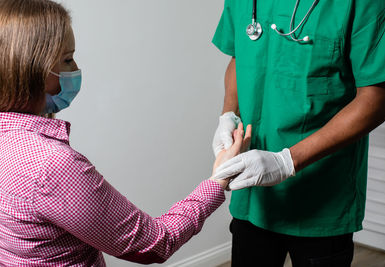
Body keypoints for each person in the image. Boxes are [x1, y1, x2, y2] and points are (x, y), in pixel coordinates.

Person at [0, 0, 251, 265]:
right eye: (67, 58)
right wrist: (218, 180)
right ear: (32, 68)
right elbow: (156, 243)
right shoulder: (51, 165)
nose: (75, 69)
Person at [211, 0, 385, 266]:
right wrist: (228, 116)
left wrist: (286, 161)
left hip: (322, 198)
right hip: (253, 195)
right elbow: (239, 55)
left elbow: (376, 99)